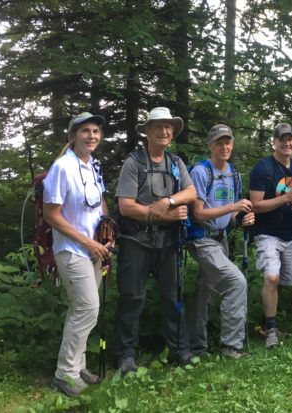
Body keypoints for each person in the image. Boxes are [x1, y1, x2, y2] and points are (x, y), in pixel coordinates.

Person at [113, 107, 197, 374]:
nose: (164, 132)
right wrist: (158, 214)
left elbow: (191, 192)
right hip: (135, 240)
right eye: (158, 127)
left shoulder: (176, 163)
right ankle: (125, 355)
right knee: (132, 298)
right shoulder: (134, 163)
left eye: (168, 127)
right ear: (147, 131)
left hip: (169, 242)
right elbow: (125, 206)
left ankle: (179, 350)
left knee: (173, 298)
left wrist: (167, 202)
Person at [44, 112, 112, 396]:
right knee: (87, 307)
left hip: (94, 248)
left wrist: (107, 232)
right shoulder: (62, 167)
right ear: (73, 135)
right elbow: (51, 215)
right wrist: (87, 241)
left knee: (82, 309)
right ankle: (65, 373)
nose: (92, 136)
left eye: (96, 131)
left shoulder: (91, 165)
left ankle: (79, 366)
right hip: (72, 250)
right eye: (85, 131)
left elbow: (100, 204)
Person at [186, 124, 255, 359]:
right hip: (202, 240)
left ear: (232, 145)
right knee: (236, 282)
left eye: (228, 142)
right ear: (210, 146)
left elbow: (231, 216)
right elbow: (198, 214)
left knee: (206, 291)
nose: (224, 147)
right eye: (219, 142)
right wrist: (233, 207)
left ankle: (196, 347)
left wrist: (242, 217)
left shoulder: (233, 173)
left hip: (221, 239)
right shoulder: (201, 172)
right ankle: (231, 346)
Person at [249, 123, 292, 348]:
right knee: (271, 277)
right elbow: (255, 205)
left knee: (284, 281)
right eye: (282, 139)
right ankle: (271, 330)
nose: (287, 143)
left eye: (290, 139)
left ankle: (269, 323)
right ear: (274, 141)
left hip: (290, 234)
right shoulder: (263, 168)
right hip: (267, 233)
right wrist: (286, 198)